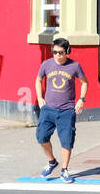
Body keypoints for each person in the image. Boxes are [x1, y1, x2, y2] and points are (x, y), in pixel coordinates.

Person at [36, 37, 88, 183]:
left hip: (67, 110)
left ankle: (64, 170)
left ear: (67, 51)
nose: (57, 55)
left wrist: (81, 100)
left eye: (60, 52)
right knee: (41, 137)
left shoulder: (74, 66)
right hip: (48, 109)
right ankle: (52, 161)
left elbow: (84, 83)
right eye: (54, 52)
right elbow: (38, 80)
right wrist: (40, 98)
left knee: (67, 141)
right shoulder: (46, 64)